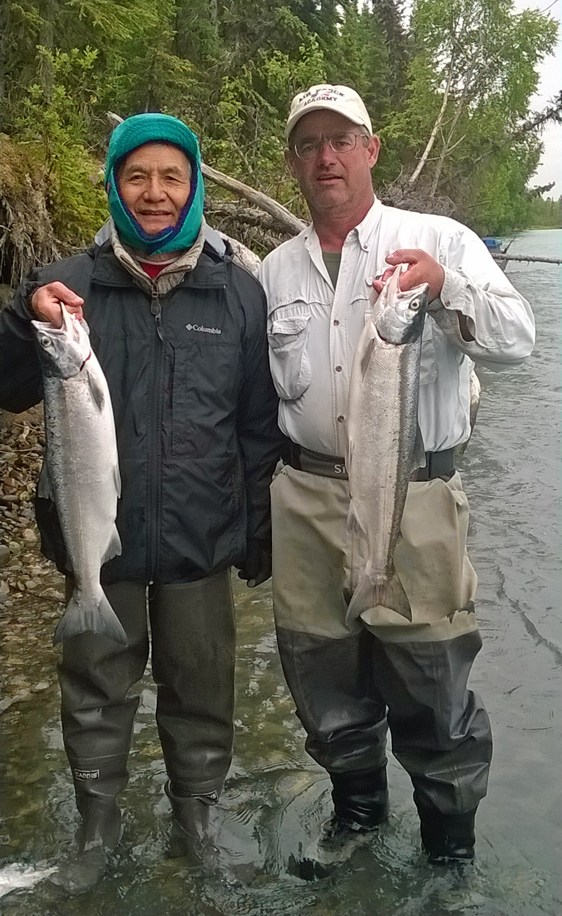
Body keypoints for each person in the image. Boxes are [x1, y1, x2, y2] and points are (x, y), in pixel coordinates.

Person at [0, 113, 281, 891]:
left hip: (201, 539)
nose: (154, 194)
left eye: (171, 177)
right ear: (115, 185)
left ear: (193, 187)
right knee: (95, 686)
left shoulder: (238, 293)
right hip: (99, 538)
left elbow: (258, 427)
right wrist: (26, 321)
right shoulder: (68, 285)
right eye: (137, 177)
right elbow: (10, 385)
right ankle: (96, 828)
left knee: (203, 685)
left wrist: (257, 532)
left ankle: (197, 819)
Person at [258, 84, 535, 867]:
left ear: (371, 149)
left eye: (341, 140)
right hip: (305, 497)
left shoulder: (436, 236)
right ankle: (358, 819)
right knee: (320, 674)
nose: (326, 157)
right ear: (294, 162)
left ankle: (448, 850)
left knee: (431, 680)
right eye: (309, 144)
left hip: (416, 497)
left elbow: (518, 339)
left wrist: (447, 287)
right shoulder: (276, 269)